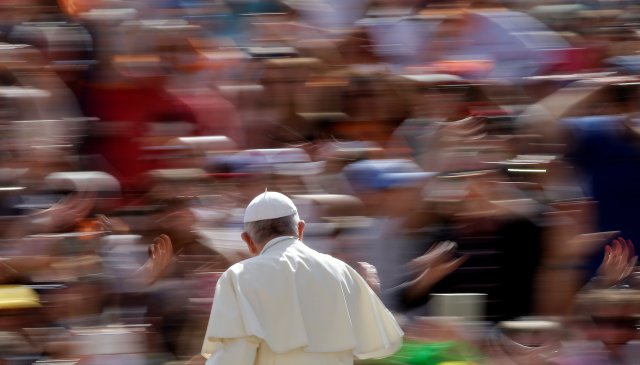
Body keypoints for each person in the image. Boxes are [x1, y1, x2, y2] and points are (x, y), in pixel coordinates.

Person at [195, 191, 403, 365]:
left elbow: (234, 357)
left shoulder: (238, 276)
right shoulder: (342, 271)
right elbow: (384, 344)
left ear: (247, 240)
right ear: (301, 229)